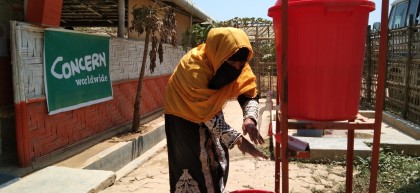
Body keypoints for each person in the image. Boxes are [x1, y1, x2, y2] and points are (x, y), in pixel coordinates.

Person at [164, 27, 268, 193]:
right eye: (232, 63)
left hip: (210, 110)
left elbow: (247, 92)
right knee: (193, 166)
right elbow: (205, 115)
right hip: (182, 117)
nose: (237, 68)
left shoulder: (238, 63)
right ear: (219, 57)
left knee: (217, 159)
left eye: (241, 64)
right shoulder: (193, 68)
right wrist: (239, 141)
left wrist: (250, 119)